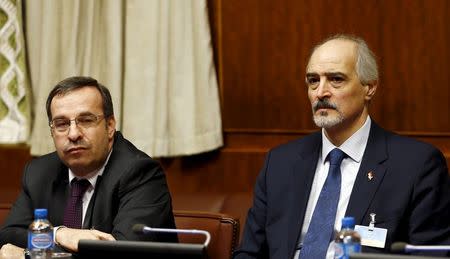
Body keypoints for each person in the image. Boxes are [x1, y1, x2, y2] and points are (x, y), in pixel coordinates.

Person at [234, 35, 450, 259]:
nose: (320, 92)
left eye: (336, 79)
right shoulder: (280, 162)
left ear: (369, 88)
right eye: (313, 80)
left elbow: (430, 256)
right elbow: (249, 253)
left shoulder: (416, 165)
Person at [0, 76, 177, 257]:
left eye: (86, 120)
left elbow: (122, 253)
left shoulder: (140, 173)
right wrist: (60, 233)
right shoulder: (39, 172)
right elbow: (8, 234)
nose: (74, 134)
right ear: (52, 131)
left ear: (110, 126)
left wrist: (28, 255)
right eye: (61, 124)